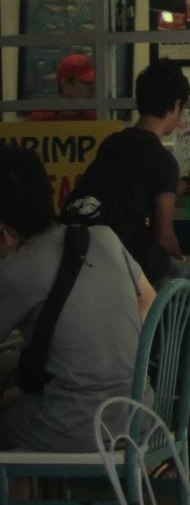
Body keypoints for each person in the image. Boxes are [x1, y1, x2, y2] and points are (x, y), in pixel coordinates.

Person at [69, 60, 190, 363]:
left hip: (93, 257)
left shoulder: (114, 144)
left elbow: (144, 182)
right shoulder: (161, 158)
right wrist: (181, 259)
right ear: (176, 106)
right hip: (135, 263)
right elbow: (164, 236)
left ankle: (157, 359)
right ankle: (172, 370)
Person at [0, 144, 154, 452]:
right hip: (141, 418)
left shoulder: (18, 270)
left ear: (4, 230)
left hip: (79, 428)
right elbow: (149, 297)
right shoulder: (105, 237)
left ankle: (32, 483)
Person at [26, 53, 96, 121]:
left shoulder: (96, 116)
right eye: (87, 82)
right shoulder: (40, 119)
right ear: (66, 85)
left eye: (93, 83)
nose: (93, 88)